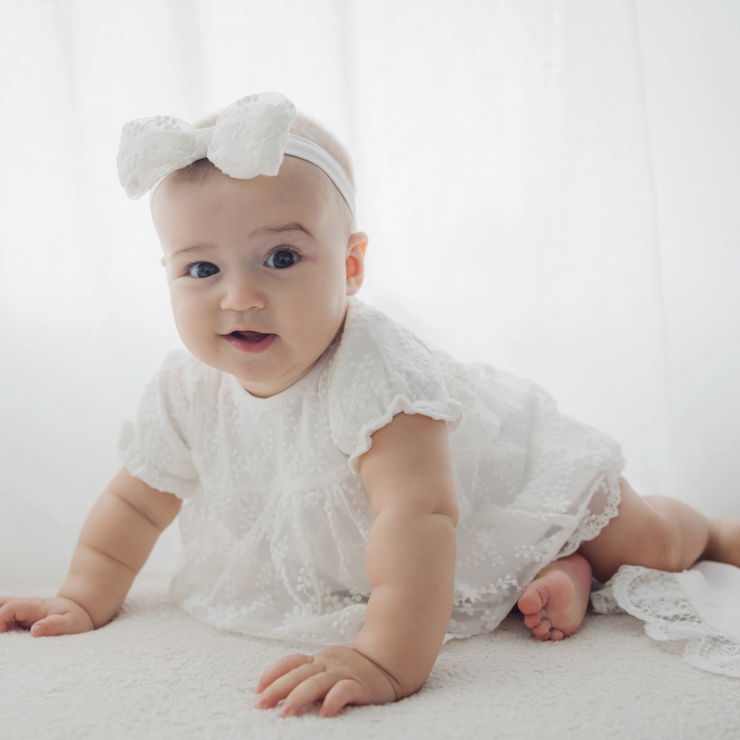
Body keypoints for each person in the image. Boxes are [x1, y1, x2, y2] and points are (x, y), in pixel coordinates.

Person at [1, 92, 738, 720]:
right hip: (391, 555)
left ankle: (700, 529)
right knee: (508, 573)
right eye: (201, 268)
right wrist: (82, 598)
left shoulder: (378, 373)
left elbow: (419, 517)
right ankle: (563, 572)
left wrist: (386, 660)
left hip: (483, 496)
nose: (240, 295)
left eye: (281, 258)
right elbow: (133, 509)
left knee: (640, 541)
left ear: (351, 266)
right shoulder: (184, 389)